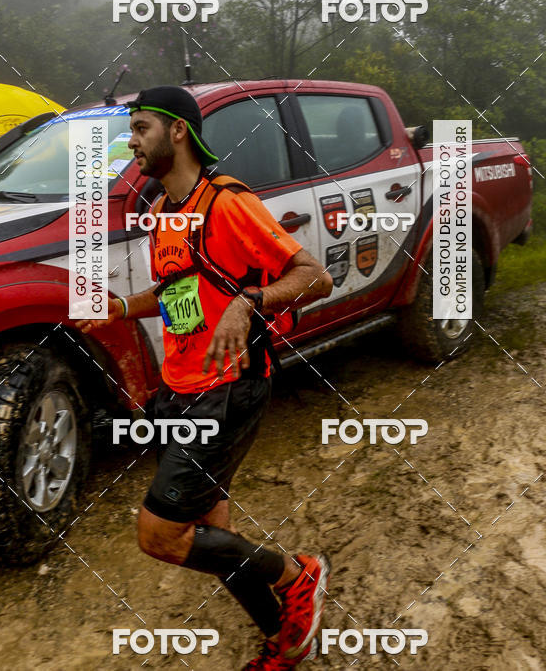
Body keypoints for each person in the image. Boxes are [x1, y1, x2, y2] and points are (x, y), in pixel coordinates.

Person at [77, 86, 333, 669]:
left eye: (140, 128)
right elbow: (181, 293)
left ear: (178, 131)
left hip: (228, 390)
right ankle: (286, 636)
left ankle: (297, 576)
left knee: (160, 535)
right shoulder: (162, 213)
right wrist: (121, 309)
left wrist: (249, 303)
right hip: (179, 389)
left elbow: (314, 277)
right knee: (211, 532)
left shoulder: (227, 203)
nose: (130, 141)